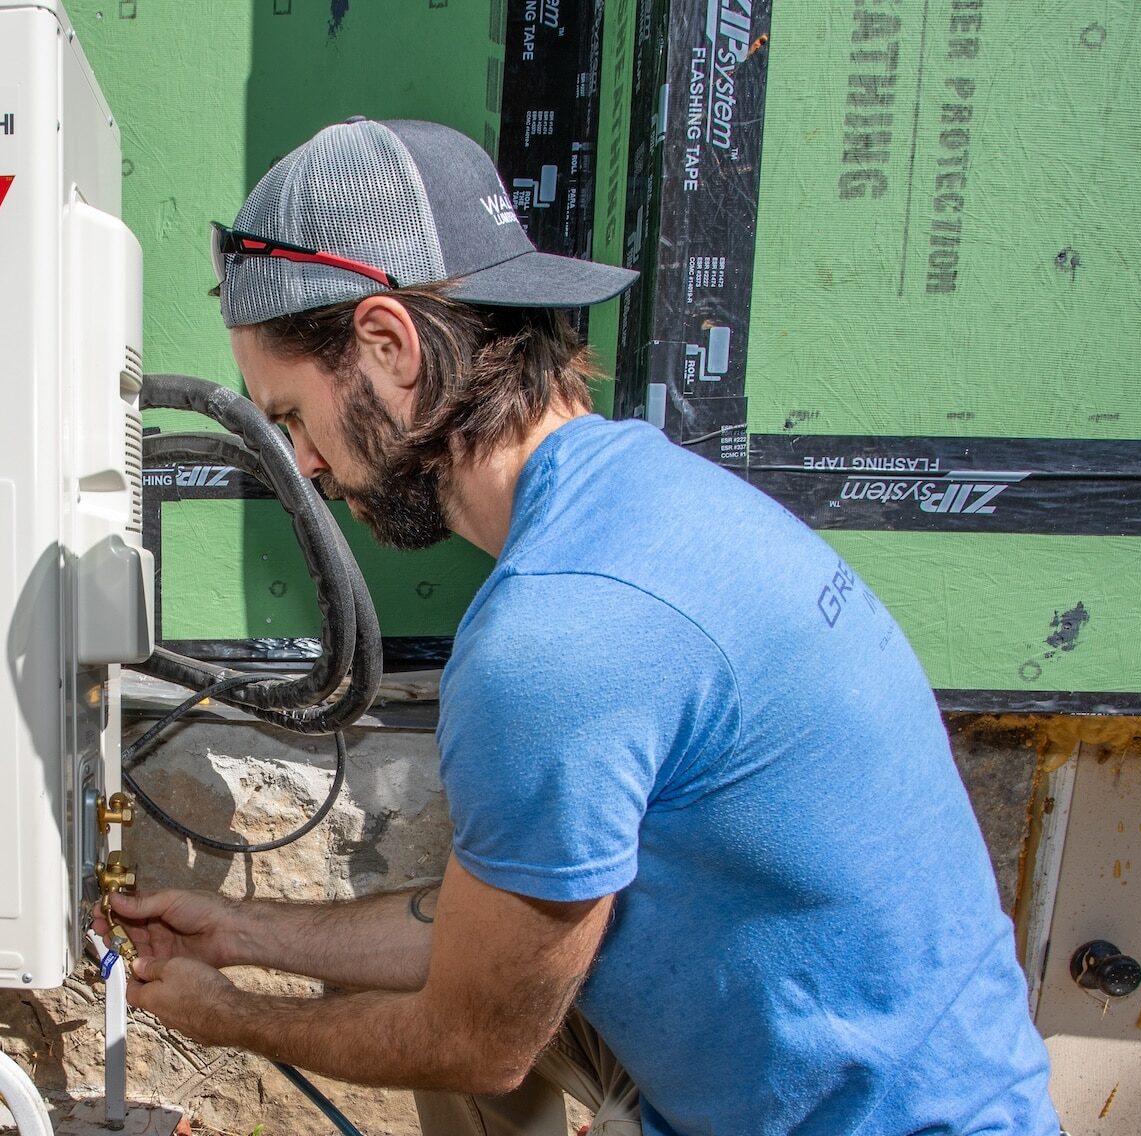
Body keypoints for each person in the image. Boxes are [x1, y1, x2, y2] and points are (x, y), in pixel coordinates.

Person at [98, 118, 1059, 1135]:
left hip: (883, 1119)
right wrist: (239, 929)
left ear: (388, 345)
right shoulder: (641, 491)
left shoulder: (555, 638)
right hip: (894, 1067)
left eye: (291, 416)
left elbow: (476, 1037)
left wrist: (227, 1014)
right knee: (433, 992)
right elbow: (489, 938)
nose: (309, 464)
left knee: (459, 1033)